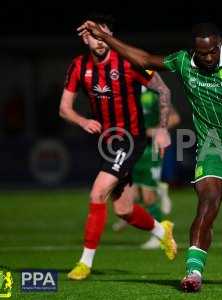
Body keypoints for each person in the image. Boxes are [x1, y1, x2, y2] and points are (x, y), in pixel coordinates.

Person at [78, 21, 222, 292]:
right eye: (203, 53)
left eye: (213, 51)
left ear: (219, 44)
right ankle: (193, 273)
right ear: (195, 50)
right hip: (212, 149)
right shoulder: (183, 62)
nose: (209, 57)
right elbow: (144, 59)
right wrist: (107, 40)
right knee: (207, 205)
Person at [60, 13, 177, 281]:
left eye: (103, 34)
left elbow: (164, 91)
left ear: (109, 35)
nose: (98, 41)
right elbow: (64, 109)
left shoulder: (126, 62)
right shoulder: (78, 67)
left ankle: (84, 263)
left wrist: (161, 128)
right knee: (123, 209)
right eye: (92, 35)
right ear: (84, 39)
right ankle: (162, 231)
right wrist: (82, 120)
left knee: (97, 193)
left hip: (131, 138)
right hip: (105, 142)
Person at [112, 87, 181, 251]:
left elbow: (174, 118)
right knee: (131, 193)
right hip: (132, 149)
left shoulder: (155, 93)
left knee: (148, 197)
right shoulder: (125, 92)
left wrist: (157, 129)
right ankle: (160, 191)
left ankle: (159, 236)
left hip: (152, 150)